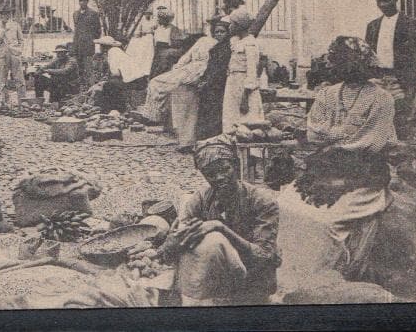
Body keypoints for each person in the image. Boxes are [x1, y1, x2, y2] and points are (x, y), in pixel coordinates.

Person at [289, 36, 397, 281]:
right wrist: (339, 138)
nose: (334, 65)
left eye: (342, 60)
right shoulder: (328, 94)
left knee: (328, 222)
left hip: (364, 172)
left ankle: (328, 275)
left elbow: (373, 141)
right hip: (328, 166)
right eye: (334, 60)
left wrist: (335, 139)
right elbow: (314, 131)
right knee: (289, 206)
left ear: (360, 62)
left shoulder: (382, 98)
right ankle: (296, 274)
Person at [158, 135, 280, 306]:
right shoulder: (201, 199)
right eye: (211, 174)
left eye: (224, 169)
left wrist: (221, 228)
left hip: (253, 281)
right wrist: (173, 241)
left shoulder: (262, 201)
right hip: (213, 277)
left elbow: (264, 256)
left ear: (236, 165)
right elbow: (176, 241)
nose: (220, 177)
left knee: (214, 239)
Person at [138, 16, 225, 150]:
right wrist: (178, 68)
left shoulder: (222, 46)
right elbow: (187, 56)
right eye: (214, 28)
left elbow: (214, 66)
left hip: (201, 74)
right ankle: (156, 115)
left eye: (220, 30)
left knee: (188, 108)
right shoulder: (203, 41)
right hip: (188, 72)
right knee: (158, 84)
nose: (216, 32)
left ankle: (188, 141)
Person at [364, 0, 416, 130]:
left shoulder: (411, 24)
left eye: (386, 0)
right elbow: (368, 54)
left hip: (400, 79)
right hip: (378, 78)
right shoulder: (372, 26)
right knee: (376, 116)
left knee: (399, 117)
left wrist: (408, 80)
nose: (383, 5)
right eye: (379, 1)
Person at [222, 9, 264, 132]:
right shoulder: (236, 42)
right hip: (233, 83)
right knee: (231, 115)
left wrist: (245, 96)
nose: (230, 27)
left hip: (244, 86)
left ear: (239, 26)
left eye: (232, 24)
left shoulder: (250, 44)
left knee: (246, 117)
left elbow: (252, 71)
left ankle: (250, 150)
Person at [196, 18, 233, 141]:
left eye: (222, 32)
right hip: (210, 83)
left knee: (215, 112)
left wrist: (207, 83)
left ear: (228, 33)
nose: (219, 34)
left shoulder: (226, 49)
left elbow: (220, 70)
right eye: (217, 32)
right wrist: (203, 79)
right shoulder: (217, 47)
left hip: (219, 85)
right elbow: (210, 66)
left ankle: (213, 139)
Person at [0, 5, 26, 108]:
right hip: (2, 54)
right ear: (0, 15)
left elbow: (21, 40)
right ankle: (5, 102)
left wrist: (19, 50)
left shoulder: (16, 25)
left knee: (19, 78)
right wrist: (3, 29)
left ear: (10, 14)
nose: (5, 16)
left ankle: (22, 102)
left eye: (7, 13)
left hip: (14, 54)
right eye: (3, 14)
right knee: (3, 79)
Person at [89, 36, 129, 112]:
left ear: (104, 46)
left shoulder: (112, 52)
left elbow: (115, 73)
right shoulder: (115, 50)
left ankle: (112, 110)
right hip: (129, 78)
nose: (99, 47)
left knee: (109, 86)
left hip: (130, 80)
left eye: (100, 45)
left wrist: (104, 82)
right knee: (109, 84)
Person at [72, 0, 102, 88]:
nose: (82, 3)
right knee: (79, 67)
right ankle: (81, 87)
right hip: (77, 44)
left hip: (88, 44)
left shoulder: (93, 14)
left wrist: (90, 39)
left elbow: (98, 30)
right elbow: (76, 29)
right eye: (80, 0)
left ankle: (90, 87)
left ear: (87, 2)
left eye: (84, 1)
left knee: (88, 67)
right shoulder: (75, 14)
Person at [151, 7, 185, 77]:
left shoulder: (174, 29)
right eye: (159, 17)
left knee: (164, 69)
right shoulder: (157, 28)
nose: (158, 19)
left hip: (167, 52)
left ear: (165, 19)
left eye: (160, 18)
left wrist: (169, 48)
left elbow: (178, 44)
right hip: (157, 51)